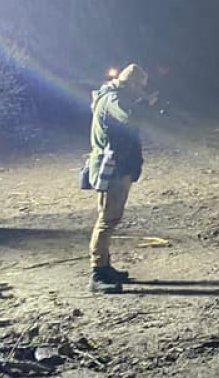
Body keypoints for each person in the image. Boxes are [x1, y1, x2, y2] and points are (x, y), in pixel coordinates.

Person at [88, 63, 152, 294]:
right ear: (132, 83)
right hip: (113, 167)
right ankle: (98, 273)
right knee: (107, 220)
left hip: (117, 166)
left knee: (111, 218)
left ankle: (104, 266)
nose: (141, 90)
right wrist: (144, 106)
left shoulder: (111, 96)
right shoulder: (114, 99)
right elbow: (128, 118)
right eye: (140, 87)